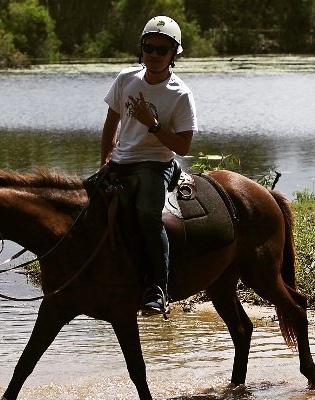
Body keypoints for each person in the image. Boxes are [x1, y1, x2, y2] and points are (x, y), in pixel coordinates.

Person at [100, 15, 198, 315]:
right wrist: (105, 158)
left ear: (173, 55)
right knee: (86, 205)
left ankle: (158, 289)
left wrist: (153, 125)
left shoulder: (180, 94)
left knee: (147, 215)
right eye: (149, 47)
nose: (154, 54)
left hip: (156, 163)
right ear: (141, 49)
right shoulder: (125, 79)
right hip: (121, 160)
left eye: (162, 49)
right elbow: (110, 123)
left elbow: (183, 146)